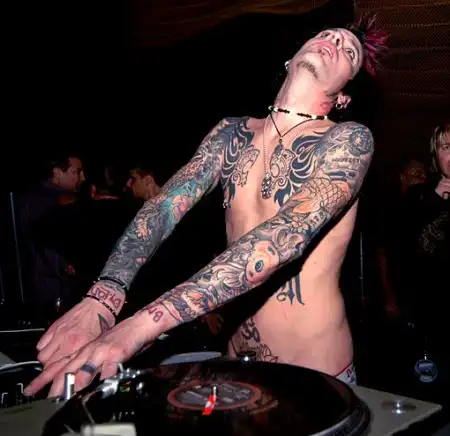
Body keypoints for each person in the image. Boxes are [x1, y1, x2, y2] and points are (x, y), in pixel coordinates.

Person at [24, 17, 388, 397]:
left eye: (349, 51)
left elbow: (278, 243)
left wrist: (140, 326)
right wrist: (103, 298)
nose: (333, 42)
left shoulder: (348, 140)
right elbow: (163, 207)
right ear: (292, 57)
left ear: (344, 95)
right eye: (326, 34)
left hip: (313, 375)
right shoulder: (230, 133)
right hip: (237, 366)